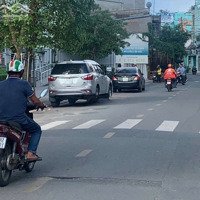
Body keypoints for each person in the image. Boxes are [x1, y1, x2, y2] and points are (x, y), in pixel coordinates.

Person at [0, 60, 46, 161]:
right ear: (21, 72)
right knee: (36, 130)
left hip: (1, 120)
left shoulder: (1, 84)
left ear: (8, 72)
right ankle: (30, 153)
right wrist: (41, 105)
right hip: (18, 119)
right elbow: (35, 101)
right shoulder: (24, 84)